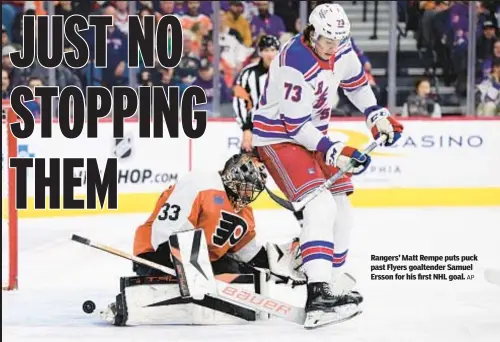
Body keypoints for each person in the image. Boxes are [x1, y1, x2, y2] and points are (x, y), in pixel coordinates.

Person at [251, 3, 403, 328]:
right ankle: (317, 294)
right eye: (328, 41)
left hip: (314, 136)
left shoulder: (341, 45)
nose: (333, 48)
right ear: (312, 32)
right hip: (280, 137)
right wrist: (333, 149)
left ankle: (330, 284)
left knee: (343, 212)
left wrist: (376, 115)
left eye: (338, 41)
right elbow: (295, 126)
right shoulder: (296, 60)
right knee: (320, 209)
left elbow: (356, 84)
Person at [101, 153, 305, 325]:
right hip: (157, 251)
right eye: (245, 186)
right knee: (213, 273)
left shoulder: (245, 213)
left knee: (239, 273)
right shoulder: (201, 183)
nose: (246, 194)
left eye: (251, 189)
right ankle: (140, 302)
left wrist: (278, 260)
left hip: (203, 262)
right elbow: (165, 230)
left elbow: (247, 253)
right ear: (233, 175)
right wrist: (190, 266)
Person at [233, 35, 280, 153]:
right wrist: (246, 129)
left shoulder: (288, 71)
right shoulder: (248, 73)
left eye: (273, 50)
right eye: (266, 50)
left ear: (278, 52)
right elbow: (240, 101)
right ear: (260, 52)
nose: (269, 54)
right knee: (248, 168)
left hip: (282, 131)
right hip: (256, 130)